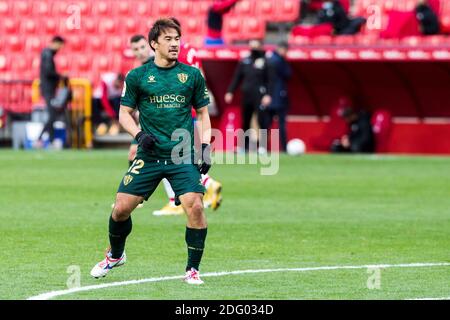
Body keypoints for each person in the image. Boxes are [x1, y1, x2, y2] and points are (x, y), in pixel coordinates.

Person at [91, 19, 212, 284]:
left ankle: (192, 269)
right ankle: (116, 256)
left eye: (177, 39)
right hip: (149, 155)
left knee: (196, 207)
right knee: (121, 209)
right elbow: (124, 113)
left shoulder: (191, 75)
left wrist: (205, 147)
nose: (174, 44)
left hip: (181, 154)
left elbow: (203, 113)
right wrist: (138, 135)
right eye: (168, 39)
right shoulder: (137, 76)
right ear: (154, 44)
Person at [129, 30, 223, 217]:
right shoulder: (189, 52)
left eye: (142, 47)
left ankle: (197, 189)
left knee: (166, 156)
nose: (140, 51)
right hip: (189, 112)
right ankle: (202, 187)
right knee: (178, 158)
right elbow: (200, 77)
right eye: (135, 49)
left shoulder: (157, 64)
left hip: (172, 118)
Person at [225, 39, 272, 152]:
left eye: (256, 45)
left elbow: (270, 80)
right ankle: (244, 146)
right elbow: (237, 77)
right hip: (247, 95)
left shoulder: (266, 61)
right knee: (245, 120)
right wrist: (230, 91)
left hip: (260, 95)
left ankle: (262, 147)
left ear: (261, 46)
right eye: (251, 45)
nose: (253, 48)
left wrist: (268, 94)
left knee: (262, 120)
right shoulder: (245, 60)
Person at [259, 41, 292, 152]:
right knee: (280, 124)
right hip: (278, 97)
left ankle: (262, 147)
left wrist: (266, 94)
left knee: (267, 123)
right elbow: (288, 73)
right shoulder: (278, 61)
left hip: (270, 97)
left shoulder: (269, 59)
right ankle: (284, 148)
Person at [36, 35, 65, 147]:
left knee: (52, 115)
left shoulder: (47, 54)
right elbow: (48, 72)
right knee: (52, 115)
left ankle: (49, 140)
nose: (60, 48)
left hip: (48, 88)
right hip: (48, 89)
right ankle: (40, 139)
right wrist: (60, 76)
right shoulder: (48, 54)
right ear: (56, 43)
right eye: (60, 46)